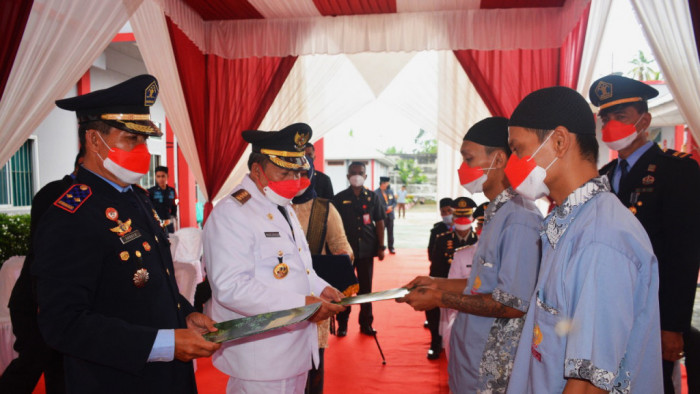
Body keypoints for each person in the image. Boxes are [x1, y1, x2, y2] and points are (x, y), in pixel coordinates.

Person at [31, 74, 220, 393]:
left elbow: (152, 283)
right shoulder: (72, 215)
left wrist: (184, 315)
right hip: (116, 380)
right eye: (131, 139)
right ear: (93, 140)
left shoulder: (136, 198)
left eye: (145, 140)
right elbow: (63, 323)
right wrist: (164, 343)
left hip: (168, 378)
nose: (143, 150)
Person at [505, 86, 662, 393]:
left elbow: (590, 385)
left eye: (517, 149)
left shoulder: (599, 240)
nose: (513, 162)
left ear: (560, 141)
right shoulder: (571, 224)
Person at [397, 116, 542, 393]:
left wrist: (439, 298)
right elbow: (481, 284)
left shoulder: (520, 219)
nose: (463, 169)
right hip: (472, 353)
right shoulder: (497, 212)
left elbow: (512, 304)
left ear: (498, 160)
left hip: (493, 368)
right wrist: (434, 282)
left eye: (468, 159)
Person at [203, 123, 346, 393]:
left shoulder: (280, 205)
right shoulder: (233, 213)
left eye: (298, 171)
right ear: (258, 170)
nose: (295, 179)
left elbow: (298, 268)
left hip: (295, 349)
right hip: (261, 356)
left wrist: (320, 288)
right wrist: (304, 304)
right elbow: (231, 287)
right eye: (285, 171)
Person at [589, 74, 700, 393]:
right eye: (605, 118)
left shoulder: (676, 171)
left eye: (620, 117)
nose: (610, 125)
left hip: (653, 313)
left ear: (644, 120)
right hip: (609, 310)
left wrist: (672, 326)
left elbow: (683, 255)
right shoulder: (604, 176)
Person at [0, 151, 84, 394]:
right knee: (30, 365)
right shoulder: (65, 193)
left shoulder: (82, 193)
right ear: (82, 164)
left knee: (59, 368)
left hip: (56, 303)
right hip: (38, 302)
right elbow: (49, 253)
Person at [290, 155, 353, 394]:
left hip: (317, 298)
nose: (298, 180)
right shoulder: (273, 208)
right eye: (293, 174)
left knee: (314, 365)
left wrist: (340, 257)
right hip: (280, 300)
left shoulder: (325, 209)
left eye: (304, 175)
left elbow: (343, 245)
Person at [331, 161, 386, 337]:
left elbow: (380, 222)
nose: (356, 175)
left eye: (360, 172)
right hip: (344, 252)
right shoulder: (339, 198)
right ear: (348, 176)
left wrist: (381, 246)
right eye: (353, 173)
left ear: (365, 176)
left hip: (366, 250)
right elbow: (333, 225)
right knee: (345, 290)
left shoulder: (372, 197)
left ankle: (366, 324)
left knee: (366, 289)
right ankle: (343, 324)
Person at [425, 197, 478, 360]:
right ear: (454, 219)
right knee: (432, 302)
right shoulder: (442, 240)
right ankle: (435, 342)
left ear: (472, 219)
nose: (462, 221)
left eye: (466, 216)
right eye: (459, 216)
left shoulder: (479, 241)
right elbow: (435, 270)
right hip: (446, 284)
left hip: (470, 288)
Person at [148, 165, 178, 234]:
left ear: (167, 176)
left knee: (171, 241)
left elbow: (174, 204)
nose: (161, 179)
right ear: (155, 177)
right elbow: (148, 208)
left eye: (163, 176)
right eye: (158, 176)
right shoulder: (150, 191)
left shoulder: (172, 191)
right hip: (156, 223)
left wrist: (172, 218)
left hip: (168, 223)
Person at [427, 197, 455, 262]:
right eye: (443, 211)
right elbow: (431, 255)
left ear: (454, 211)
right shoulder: (436, 231)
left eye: (449, 210)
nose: (447, 214)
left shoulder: (462, 228)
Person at [375, 176, 396, 254]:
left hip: (390, 216)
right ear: (383, 183)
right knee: (380, 233)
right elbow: (376, 205)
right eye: (387, 183)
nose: (388, 185)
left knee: (390, 233)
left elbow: (394, 201)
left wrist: (392, 207)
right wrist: (386, 208)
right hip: (381, 217)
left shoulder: (390, 191)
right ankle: (380, 247)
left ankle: (391, 248)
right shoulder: (376, 193)